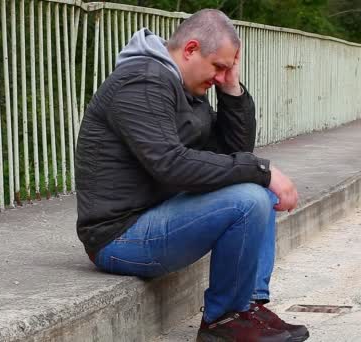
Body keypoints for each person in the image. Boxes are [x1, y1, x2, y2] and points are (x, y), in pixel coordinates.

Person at [75, 8, 308, 342]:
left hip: (159, 217)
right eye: (218, 67)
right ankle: (223, 321)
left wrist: (231, 90)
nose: (219, 75)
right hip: (118, 237)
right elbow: (171, 164)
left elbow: (232, 155)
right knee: (251, 196)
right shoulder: (142, 82)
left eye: (226, 69)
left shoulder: (184, 88)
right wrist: (263, 170)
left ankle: (247, 307)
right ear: (190, 49)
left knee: (258, 190)